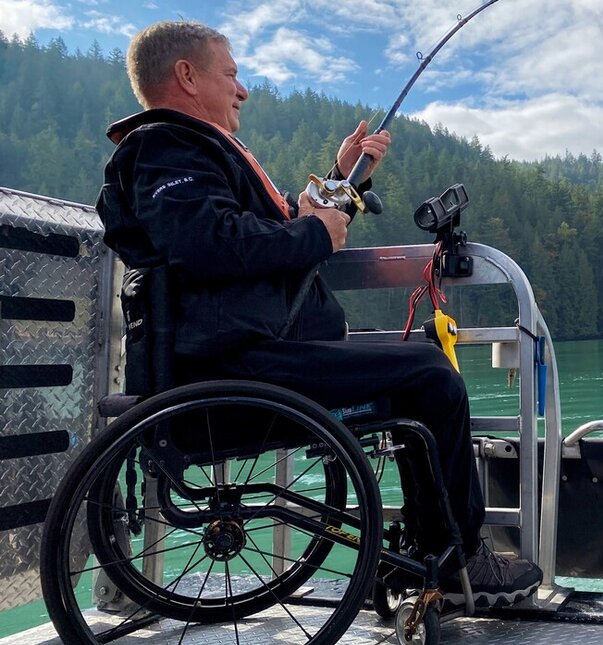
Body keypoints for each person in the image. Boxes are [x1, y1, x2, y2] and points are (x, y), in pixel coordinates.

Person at [96, 20, 541, 609]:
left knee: (422, 366)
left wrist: (345, 176)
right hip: (238, 370)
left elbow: (267, 229)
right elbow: (210, 242)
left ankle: (431, 551)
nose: (242, 89)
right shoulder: (164, 148)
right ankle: (459, 560)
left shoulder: (188, 152)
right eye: (230, 73)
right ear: (186, 76)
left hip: (243, 358)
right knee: (431, 378)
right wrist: (314, 233)